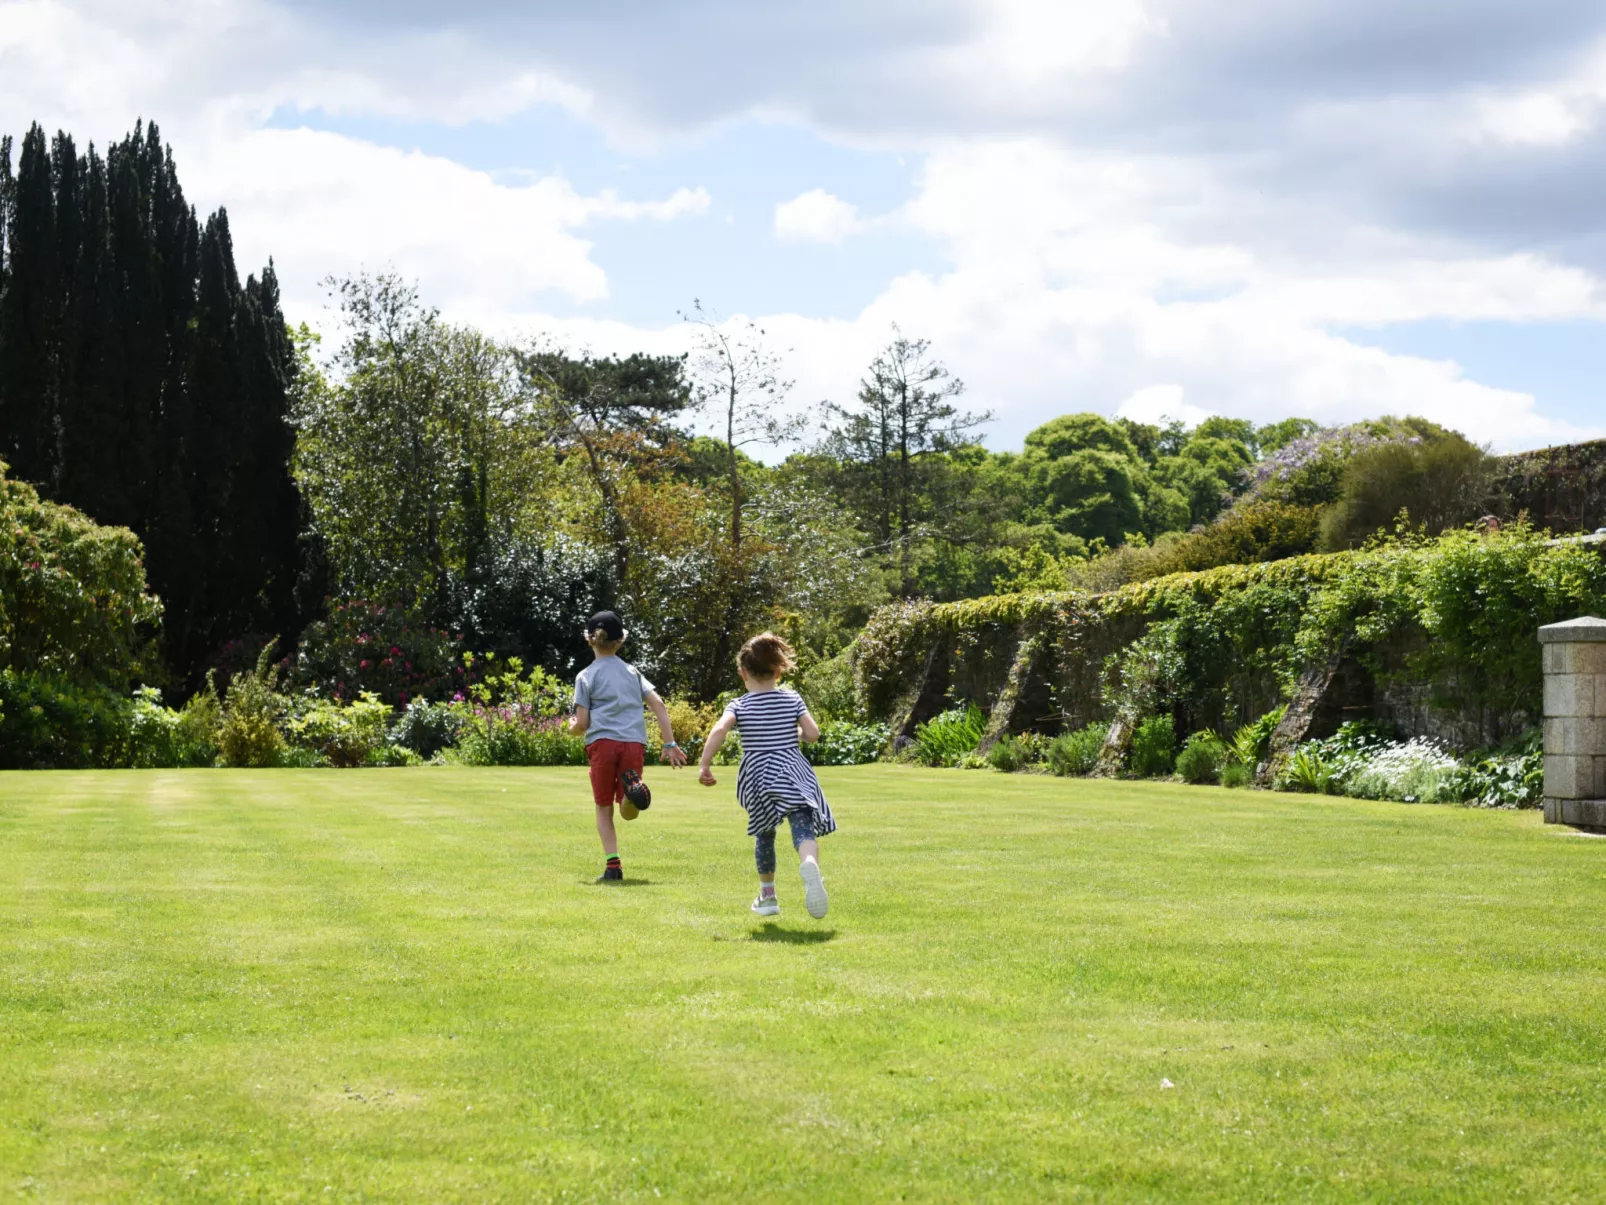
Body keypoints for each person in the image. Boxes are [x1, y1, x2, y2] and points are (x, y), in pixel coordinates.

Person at [698, 632, 835, 919]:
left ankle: (768, 896)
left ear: (743, 672)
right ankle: (809, 862)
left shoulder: (740, 705)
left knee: (764, 833)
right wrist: (794, 733)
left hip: (759, 776)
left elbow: (720, 730)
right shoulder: (792, 699)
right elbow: (812, 734)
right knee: (802, 825)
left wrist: (705, 765)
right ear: (778, 670)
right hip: (792, 770)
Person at [570, 611, 686, 883]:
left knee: (603, 807)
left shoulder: (585, 676)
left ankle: (613, 866)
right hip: (633, 743)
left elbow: (583, 722)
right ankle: (630, 793)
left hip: (602, 744)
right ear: (621, 640)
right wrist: (669, 743)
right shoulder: (632, 673)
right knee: (627, 812)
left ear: (589, 640)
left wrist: (571, 726)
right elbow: (658, 705)